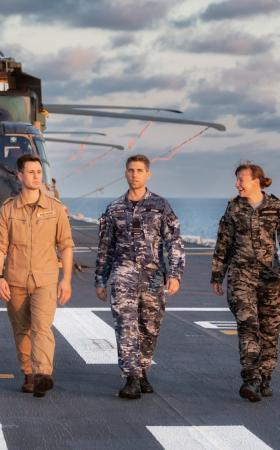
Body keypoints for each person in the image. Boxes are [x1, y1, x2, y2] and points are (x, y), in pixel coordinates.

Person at [95, 154, 184, 399]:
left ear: (148, 174)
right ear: (125, 173)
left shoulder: (161, 206)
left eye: (139, 170)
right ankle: (131, 377)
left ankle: (142, 369)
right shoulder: (114, 208)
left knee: (150, 327)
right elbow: (105, 247)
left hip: (154, 276)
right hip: (123, 275)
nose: (134, 174)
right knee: (125, 327)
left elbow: (173, 241)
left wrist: (175, 273)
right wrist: (100, 280)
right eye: (131, 170)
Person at [211, 162, 280, 402]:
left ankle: (265, 375)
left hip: (270, 279)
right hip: (241, 277)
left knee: (269, 331)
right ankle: (250, 378)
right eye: (236, 179)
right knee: (248, 324)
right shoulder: (233, 209)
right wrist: (217, 274)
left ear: (256, 181)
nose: (236, 184)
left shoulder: (275, 207)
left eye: (241, 179)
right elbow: (223, 243)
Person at [0, 154, 74, 398]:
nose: (36, 176)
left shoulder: (55, 209)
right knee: (21, 330)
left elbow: (66, 245)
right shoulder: (7, 210)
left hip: (45, 279)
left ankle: (42, 374)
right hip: (15, 279)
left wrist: (66, 279)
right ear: (19, 176)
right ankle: (28, 372)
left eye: (39, 171)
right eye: (31, 172)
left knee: (42, 327)